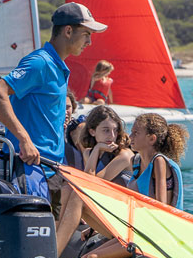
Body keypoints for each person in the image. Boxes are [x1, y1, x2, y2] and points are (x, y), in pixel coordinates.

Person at [0, 2, 105, 254]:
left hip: (48, 170)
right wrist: (24, 138)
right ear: (68, 31)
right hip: (28, 169)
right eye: (87, 34)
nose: (90, 42)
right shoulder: (40, 62)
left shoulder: (59, 67)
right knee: (29, 248)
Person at [73, 114, 187, 258]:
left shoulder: (159, 162)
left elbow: (159, 207)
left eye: (136, 132)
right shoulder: (136, 163)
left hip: (153, 236)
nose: (130, 136)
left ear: (151, 138)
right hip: (135, 230)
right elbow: (127, 202)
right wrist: (99, 228)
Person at [53, 105, 133, 247]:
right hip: (106, 215)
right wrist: (95, 150)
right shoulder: (88, 153)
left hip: (125, 220)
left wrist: (96, 148)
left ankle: (53, 255)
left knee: (78, 196)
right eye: (106, 130)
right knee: (66, 189)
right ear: (92, 131)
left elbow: (91, 184)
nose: (112, 136)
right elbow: (86, 183)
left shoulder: (124, 156)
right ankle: (50, 244)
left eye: (115, 130)